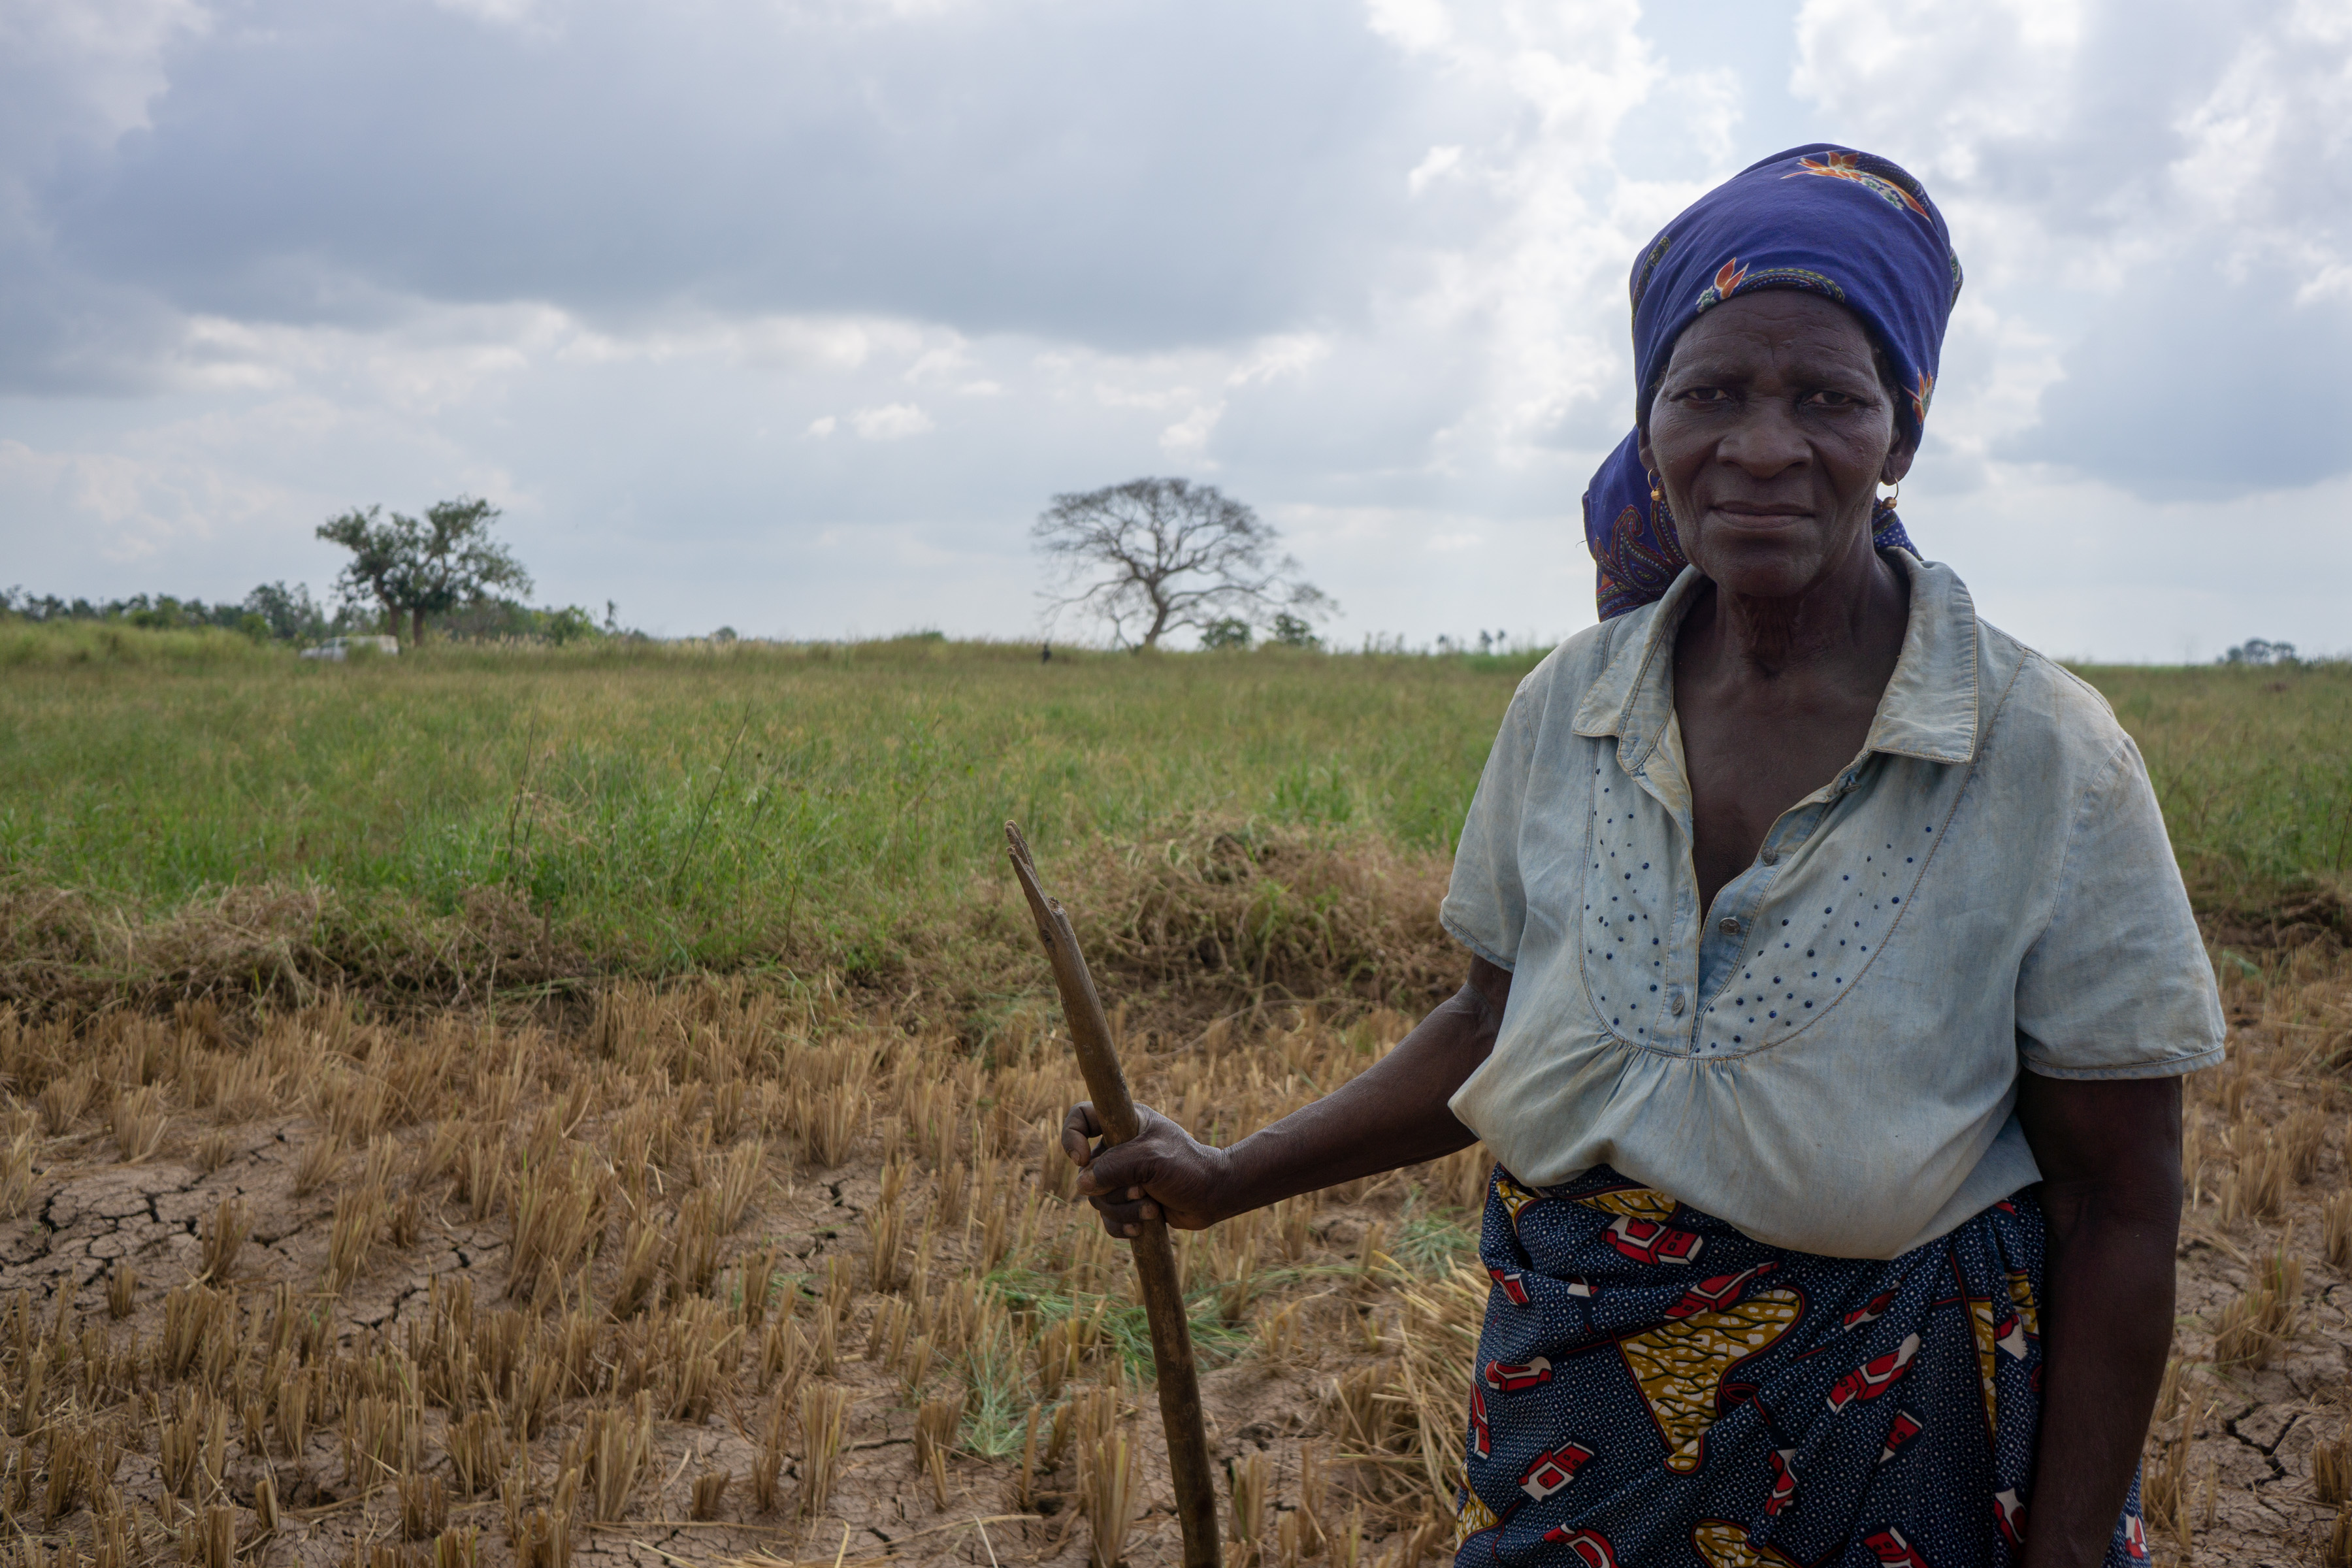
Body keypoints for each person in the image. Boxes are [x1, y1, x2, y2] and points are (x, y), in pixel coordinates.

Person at [1057, 146, 2222, 1568]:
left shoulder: (2043, 750)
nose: (1764, 444)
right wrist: (1229, 1174)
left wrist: (2068, 1551)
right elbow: (1494, 1024)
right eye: (1712, 391)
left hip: (1892, 1434)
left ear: (1901, 435)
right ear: (1651, 424)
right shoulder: (1573, 705)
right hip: (1579, 1406)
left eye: (1827, 398)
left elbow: (2119, 1203)